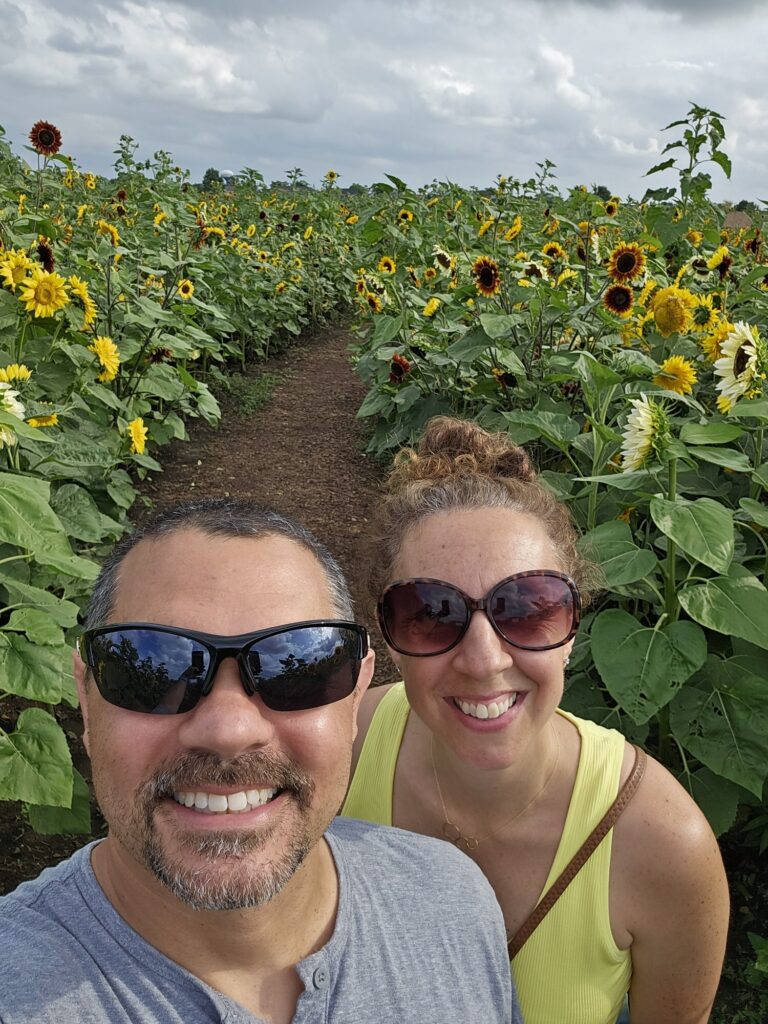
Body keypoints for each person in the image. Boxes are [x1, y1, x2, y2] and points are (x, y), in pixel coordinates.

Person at [0, 499, 520, 1024]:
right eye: (153, 669)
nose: (229, 731)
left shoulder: (452, 901)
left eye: (297, 667)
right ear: (87, 700)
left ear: (356, 696)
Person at [342, 416, 730, 1024]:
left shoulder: (661, 848)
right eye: (430, 612)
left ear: (574, 625)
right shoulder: (338, 752)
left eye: (527, 609)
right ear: (388, 637)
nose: (483, 659)